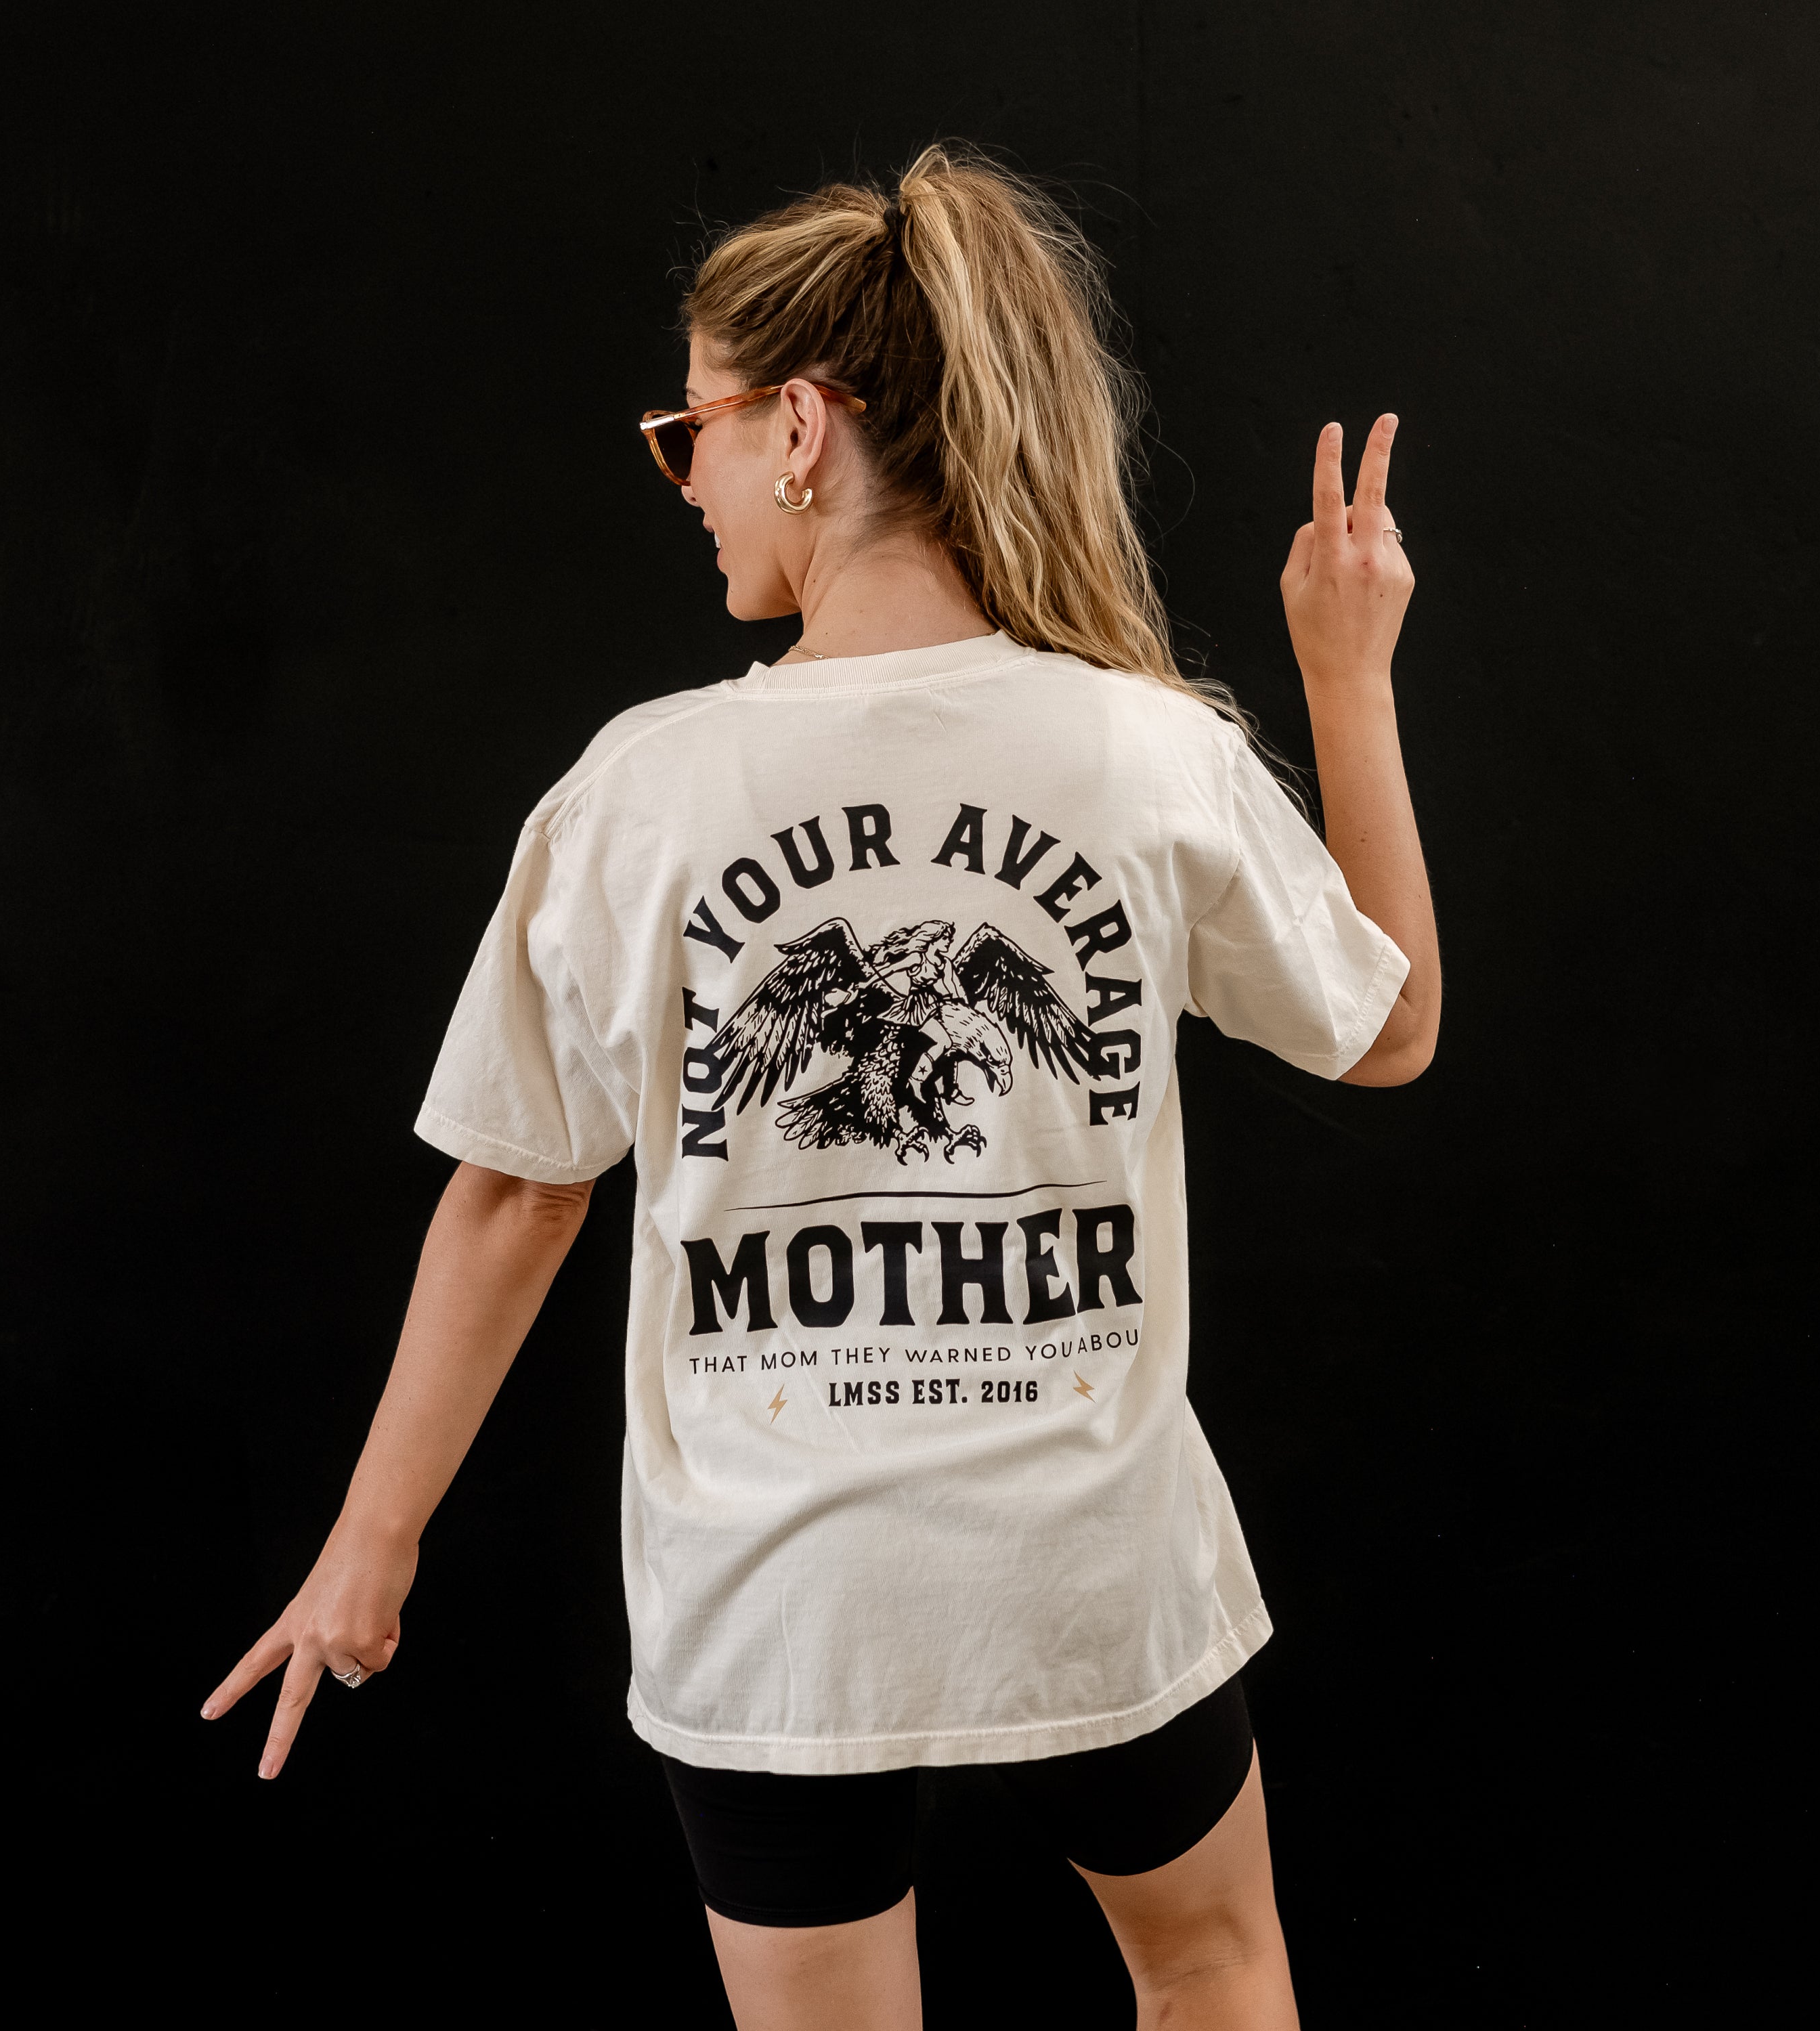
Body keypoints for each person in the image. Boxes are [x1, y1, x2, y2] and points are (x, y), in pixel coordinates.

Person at [203, 144, 1437, 2030]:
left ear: (798, 427)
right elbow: (1392, 1027)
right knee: (1210, 1967)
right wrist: (1347, 675)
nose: (684, 480)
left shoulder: (637, 792)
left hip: (779, 1608)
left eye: (686, 429)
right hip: (1090, 1574)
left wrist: (369, 1554)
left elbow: (522, 1189)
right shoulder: (1146, 750)